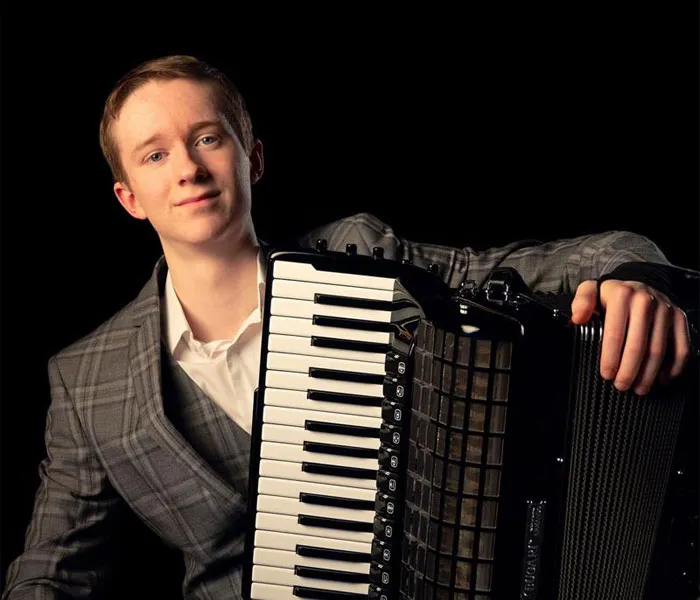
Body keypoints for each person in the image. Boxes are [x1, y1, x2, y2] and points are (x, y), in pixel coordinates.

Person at [2, 54, 692, 599]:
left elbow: (552, 262)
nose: (187, 167)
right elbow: (51, 576)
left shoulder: (360, 254)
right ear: (128, 197)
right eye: (154, 154)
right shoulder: (86, 381)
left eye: (208, 137)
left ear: (254, 158)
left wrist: (640, 275)